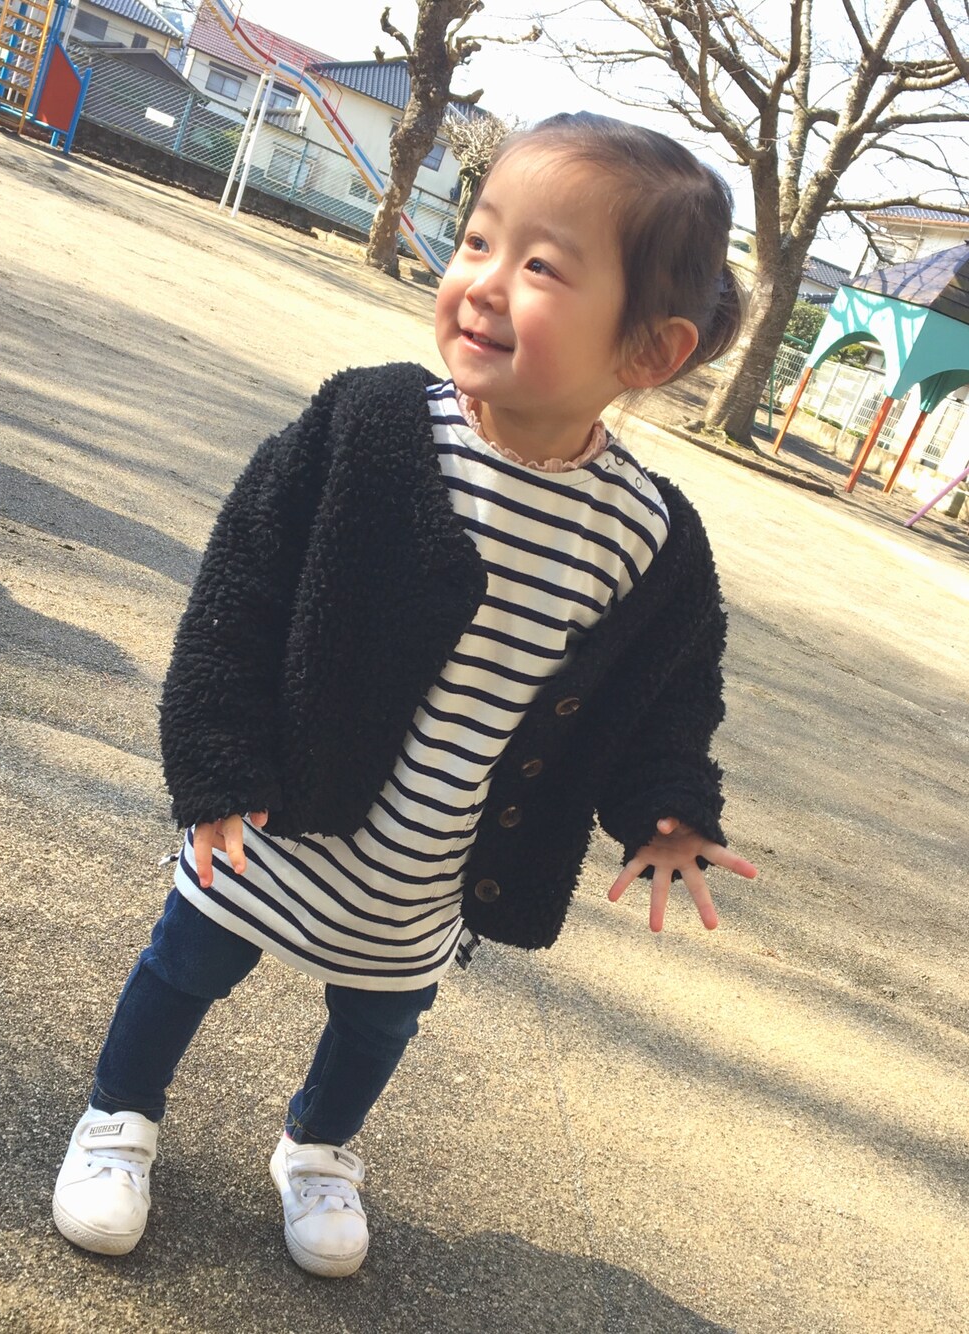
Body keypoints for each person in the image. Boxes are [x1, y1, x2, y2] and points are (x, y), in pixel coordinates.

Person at [52, 112, 757, 1278]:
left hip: (426, 863)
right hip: (274, 808)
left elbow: (669, 692)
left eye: (540, 266)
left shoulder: (646, 535)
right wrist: (215, 759)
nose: (482, 279)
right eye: (478, 240)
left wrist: (669, 806)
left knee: (380, 1016)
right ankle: (117, 1117)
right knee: (187, 960)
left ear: (647, 350)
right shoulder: (372, 423)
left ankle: (318, 1148)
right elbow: (242, 586)